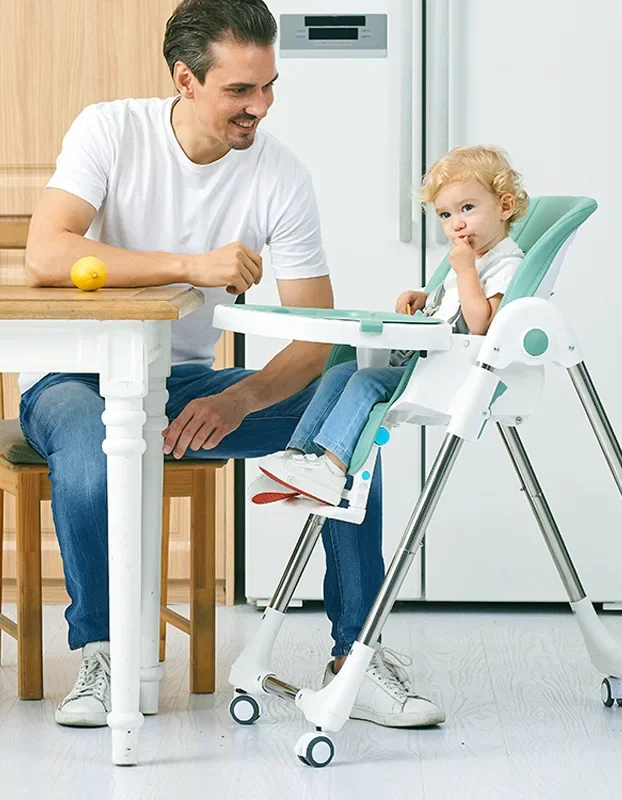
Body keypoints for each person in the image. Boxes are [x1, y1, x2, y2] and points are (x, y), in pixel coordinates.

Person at [21, 0, 442, 730]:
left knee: (353, 405)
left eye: (268, 86)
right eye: (240, 92)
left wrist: (242, 399)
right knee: (91, 448)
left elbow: (317, 337)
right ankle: (103, 655)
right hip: (73, 380)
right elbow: (46, 254)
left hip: (179, 385)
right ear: (185, 79)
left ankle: (355, 661)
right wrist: (190, 265)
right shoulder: (111, 130)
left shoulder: (280, 175)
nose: (261, 108)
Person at [255, 145, 528, 506]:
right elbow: (452, 308)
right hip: (425, 359)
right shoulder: (474, 258)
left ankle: (331, 469)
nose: (456, 223)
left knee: (366, 382)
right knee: (340, 373)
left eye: (468, 208)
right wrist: (426, 298)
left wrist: (463, 271)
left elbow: (480, 324)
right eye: (445, 214)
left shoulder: (505, 262)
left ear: (505, 207)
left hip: (451, 372)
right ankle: (297, 458)